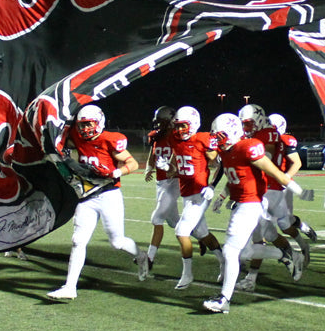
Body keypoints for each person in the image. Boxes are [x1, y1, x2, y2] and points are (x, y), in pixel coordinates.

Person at [202, 113, 312, 314]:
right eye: (216, 135)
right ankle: (287, 256)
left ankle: (224, 299)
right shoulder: (228, 150)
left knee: (230, 251)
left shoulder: (248, 147)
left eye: (220, 135)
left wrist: (301, 191)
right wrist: (221, 196)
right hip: (242, 203)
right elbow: (231, 174)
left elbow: (275, 173)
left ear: (233, 133)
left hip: (251, 204)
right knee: (244, 252)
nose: (217, 139)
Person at [47, 104, 149, 300]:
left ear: (99, 122)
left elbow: (133, 163)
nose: (85, 129)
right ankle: (70, 287)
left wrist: (114, 172)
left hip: (109, 194)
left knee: (117, 242)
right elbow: (59, 142)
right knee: (78, 241)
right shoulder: (76, 137)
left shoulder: (109, 140)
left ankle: (141, 255)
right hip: (87, 196)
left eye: (89, 124)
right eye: (82, 125)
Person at [168, 106, 226, 289]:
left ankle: (187, 274)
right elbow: (175, 166)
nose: (179, 130)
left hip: (201, 193)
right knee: (201, 233)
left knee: (181, 230)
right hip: (186, 193)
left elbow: (221, 163)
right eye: (177, 126)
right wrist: (166, 167)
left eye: (183, 126)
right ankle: (225, 262)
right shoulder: (175, 140)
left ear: (193, 125)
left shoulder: (202, 139)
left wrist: (212, 185)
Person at [143, 106, 180, 270]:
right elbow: (153, 153)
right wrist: (149, 168)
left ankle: (149, 258)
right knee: (175, 223)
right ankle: (205, 240)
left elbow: (182, 158)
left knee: (157, 219)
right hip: (160, 182)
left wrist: (171, 169)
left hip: (173, 182)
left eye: (161, 122)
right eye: (157, 122)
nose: (158, 125)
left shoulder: (177, 137)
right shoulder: (157, 137)